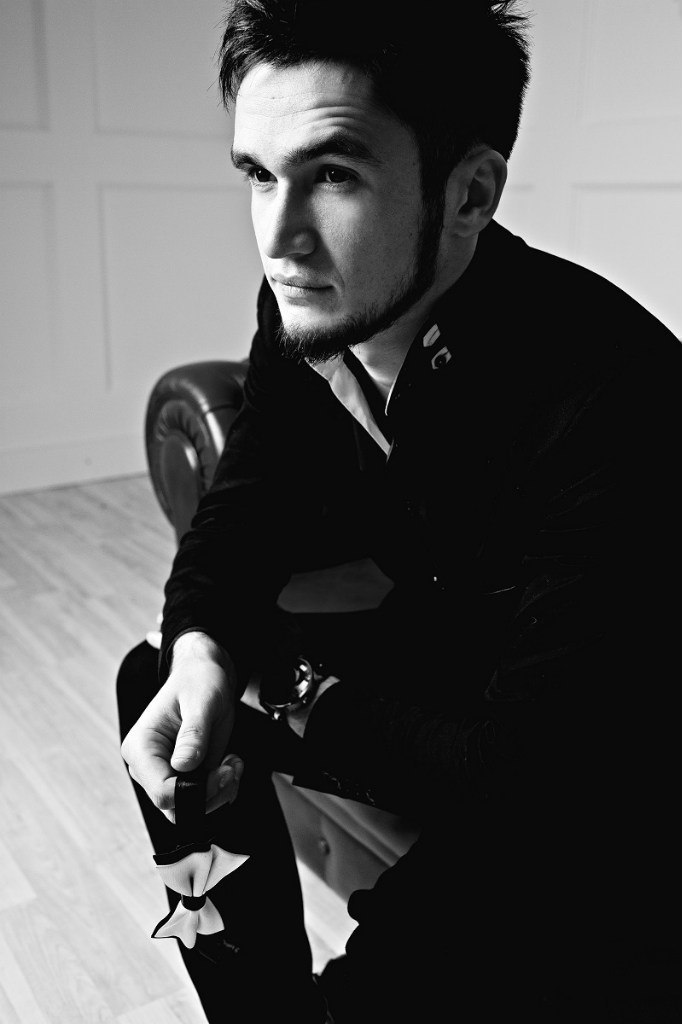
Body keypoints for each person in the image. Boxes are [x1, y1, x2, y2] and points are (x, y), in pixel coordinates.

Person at [117, 0, 681, 1020]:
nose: (278, 239)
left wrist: (294, 687)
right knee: (164, 674)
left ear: (470, 193)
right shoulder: (307, 310)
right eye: (258, 175)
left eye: (333, 175)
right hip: (452, 651)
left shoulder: (619, 396)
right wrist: (206, 648)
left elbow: (528, 774)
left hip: (590, 758)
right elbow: (245, 504)